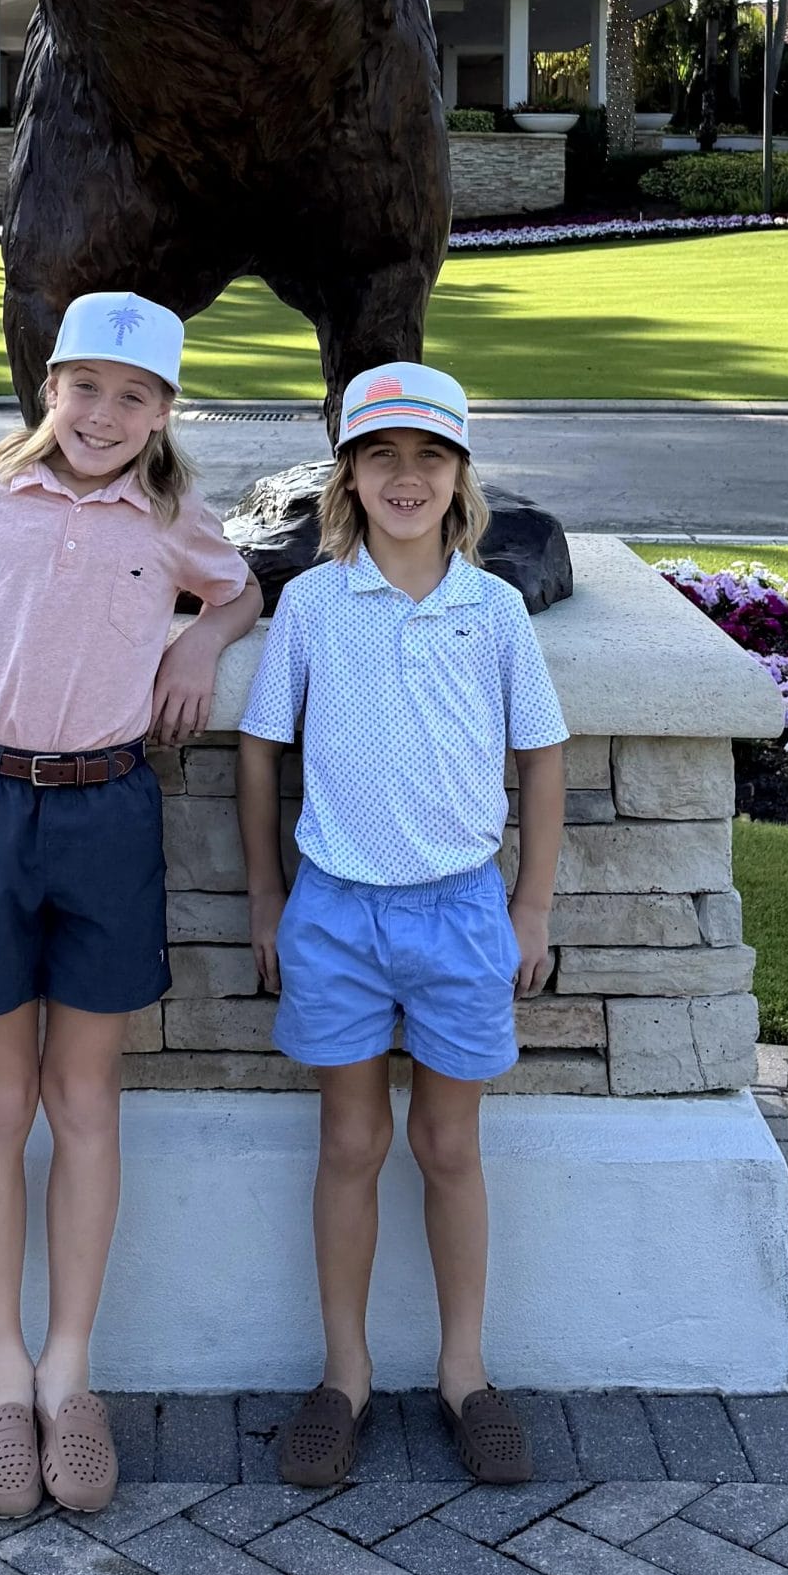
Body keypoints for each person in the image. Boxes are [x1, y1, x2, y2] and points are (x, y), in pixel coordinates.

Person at [0, 290, 260, 1518]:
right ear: (49, 388)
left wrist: (199, 644)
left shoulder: (173, 515)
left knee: (84, 1098)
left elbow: (238, 590)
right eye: (85, 384)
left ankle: (68, 1371)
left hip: (108, 812)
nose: (103, 412)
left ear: (163, 414)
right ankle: (1, 1377)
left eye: (133, 394)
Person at [236, 360, 567, 1488]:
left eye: (430, 455)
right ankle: (345, 1373)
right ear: (349, 476)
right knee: (349, 1141)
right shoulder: (313, 605)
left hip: (463, 910)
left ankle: (465, 1373)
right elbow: (260, 750)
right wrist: (267, 894)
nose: (406, 476)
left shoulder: (494, 610)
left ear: (461, 475)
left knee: (447, 1144)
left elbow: (542, 755)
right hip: (335, 911)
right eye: (382, 454)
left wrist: (530, 903)